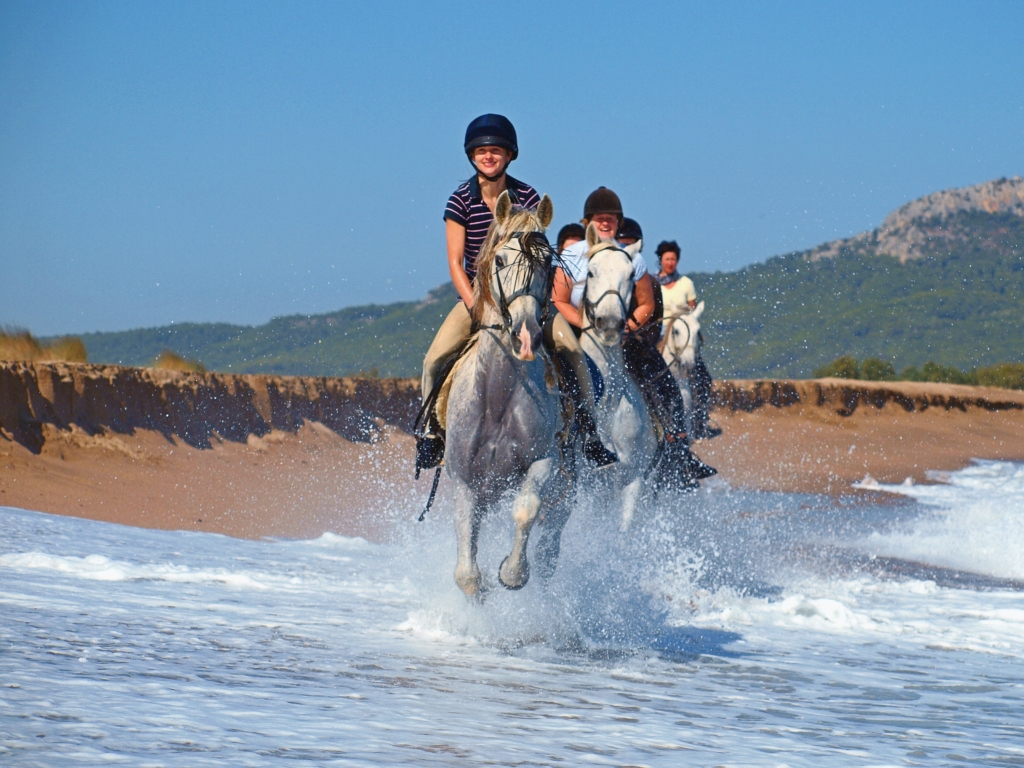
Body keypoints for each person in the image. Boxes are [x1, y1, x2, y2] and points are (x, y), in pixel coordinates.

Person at [417, 115, 616, 472]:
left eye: (495, 151)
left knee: (571, 349)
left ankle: (590, 433)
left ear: (510, 155)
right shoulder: (460, 200)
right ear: (471, 156)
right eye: (481, 151)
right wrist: (475, 305)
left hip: (529, 298)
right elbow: (455, 261)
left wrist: (540, 303)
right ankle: (432, 435)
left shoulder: (527, 197)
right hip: (480, 296)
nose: (488, 156)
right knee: (433, 359)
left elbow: (539, 255)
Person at [553, 188, 716, 484]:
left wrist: (628, 327)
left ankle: (678, 449)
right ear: (587, 221)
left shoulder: (632, 257)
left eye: (611, 219)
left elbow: (646, 304)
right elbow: (560, 299)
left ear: (618, 222)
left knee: (662, 379)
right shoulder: (572, 255)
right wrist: (583, 325)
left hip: (621, 337)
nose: (605, 223)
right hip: (577, 333)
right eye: (599, 219)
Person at [655, 240, 719, 440]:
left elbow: (692, 308)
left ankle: (701, 421)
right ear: (661, 260)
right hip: (661, 326)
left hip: (682, 327)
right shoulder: (654, 283)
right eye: (667, 259)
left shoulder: (686, 283)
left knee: (703, 378)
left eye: (673, 259)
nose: (670, 262)